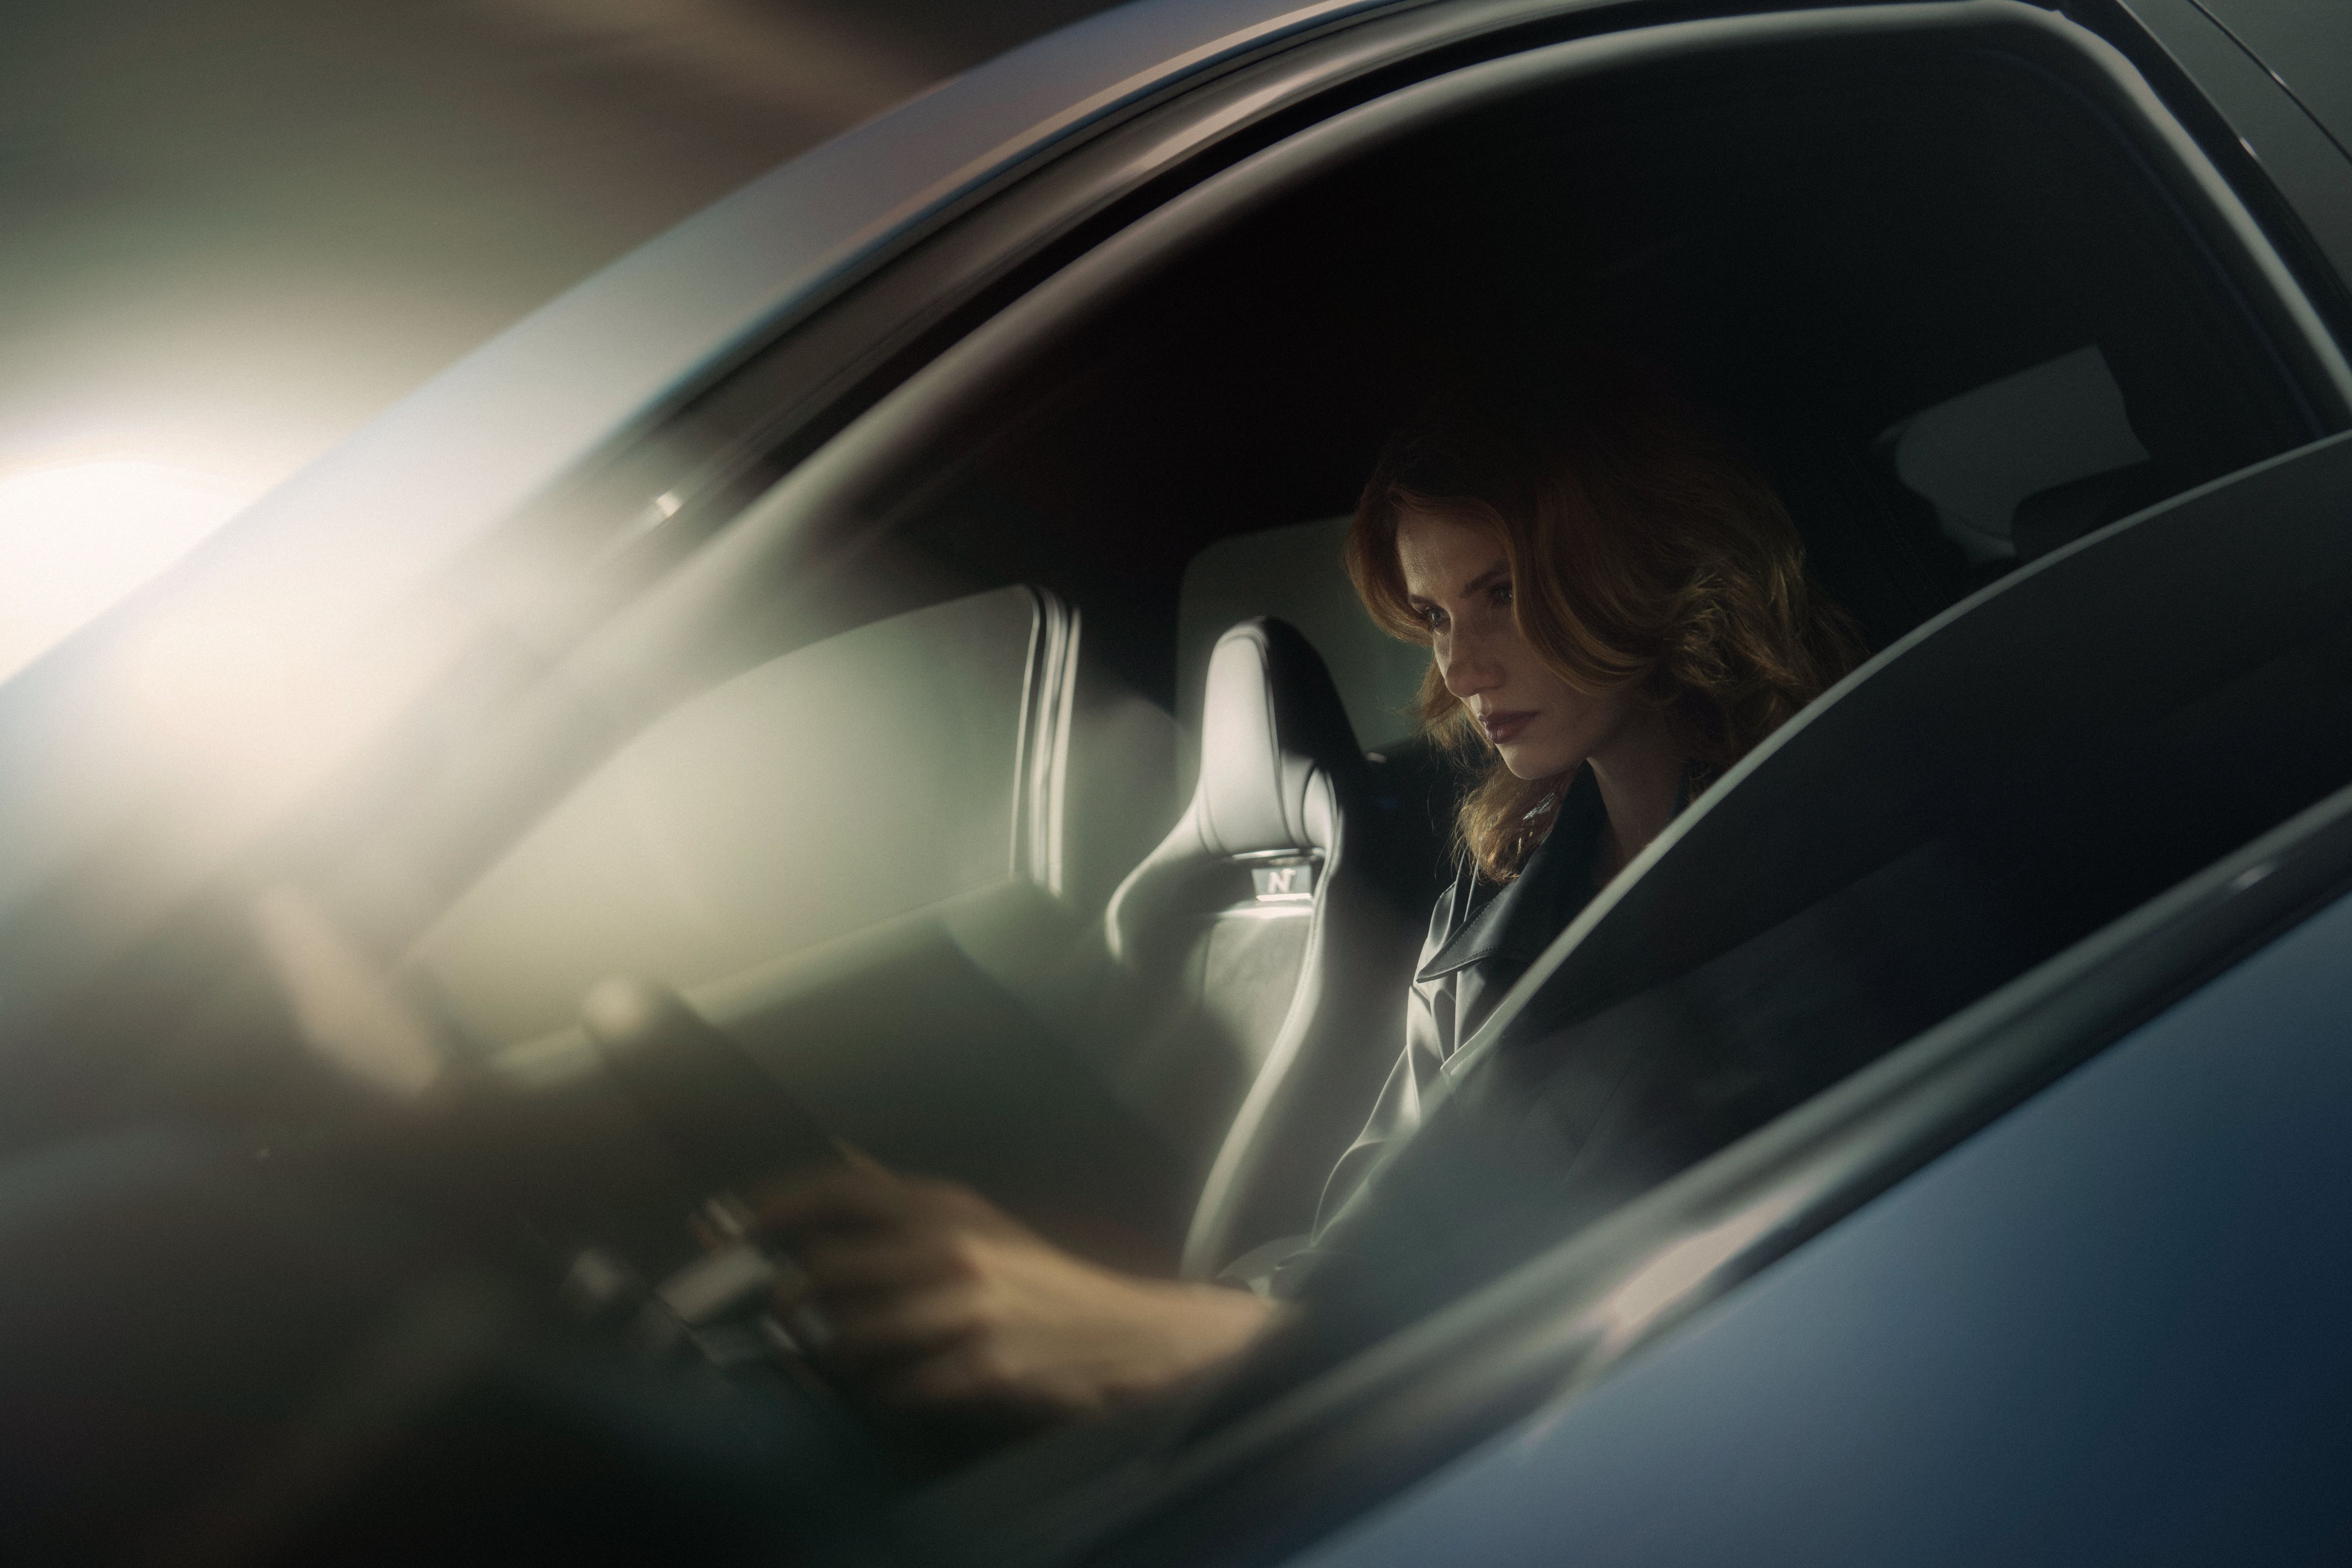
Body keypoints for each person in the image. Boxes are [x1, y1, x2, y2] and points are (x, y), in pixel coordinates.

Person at [742, 363, 1862, 1432]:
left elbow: (1670, 1276)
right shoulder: (1496, 905)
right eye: (1433, 616)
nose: (1462, 669)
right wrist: (1242, 1314)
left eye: (1502, 594)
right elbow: (1393, 1214)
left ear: (1643, 567)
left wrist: (1184, 1344)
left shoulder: (1822, 854)